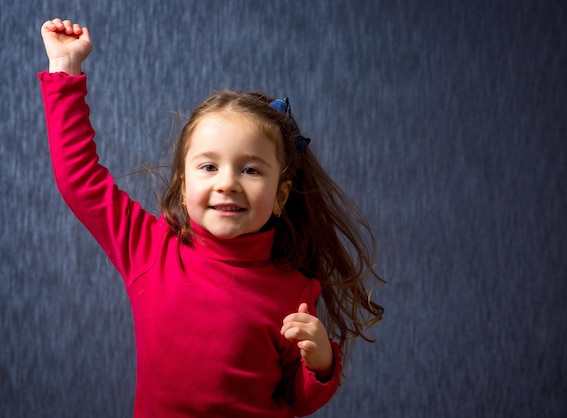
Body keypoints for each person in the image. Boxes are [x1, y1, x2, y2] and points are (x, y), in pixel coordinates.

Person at [39, 18, 384, 417]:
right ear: (184, 187)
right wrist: (65, 69)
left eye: (251, 170)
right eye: (208, 167)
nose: (228, 184)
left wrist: (321, 364)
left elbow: (296, 400)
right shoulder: (149, 248)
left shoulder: (294, 290)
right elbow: (79, 180)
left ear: (280, 195)